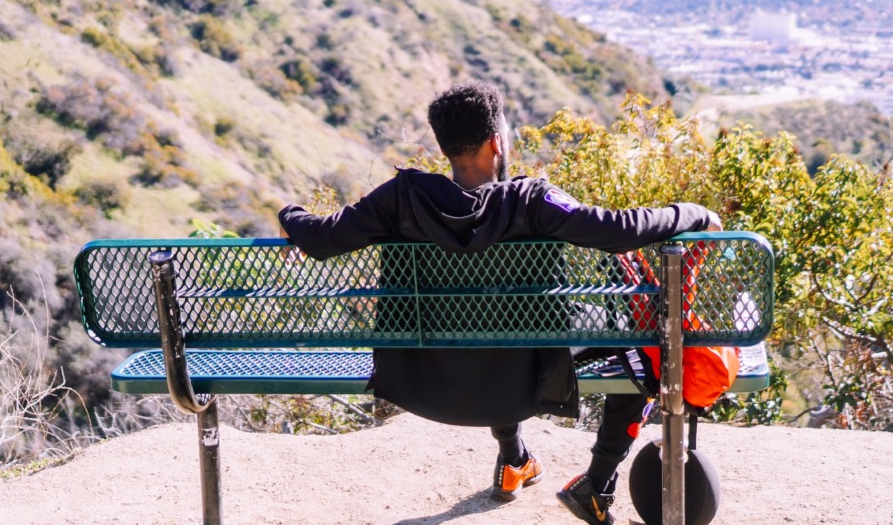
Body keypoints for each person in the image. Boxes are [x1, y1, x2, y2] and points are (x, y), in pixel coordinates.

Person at [278, 80, 721, 518]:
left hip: (427, 383)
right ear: (497, 142)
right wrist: (695, 214)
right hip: (522, 381)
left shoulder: (401, 198)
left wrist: (289, 215)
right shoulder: (532, 200)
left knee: (489, 323)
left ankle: (514, 460)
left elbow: (318, 238)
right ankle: (598, 483)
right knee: (638, 338)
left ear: (446, 147)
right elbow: (617, 230)